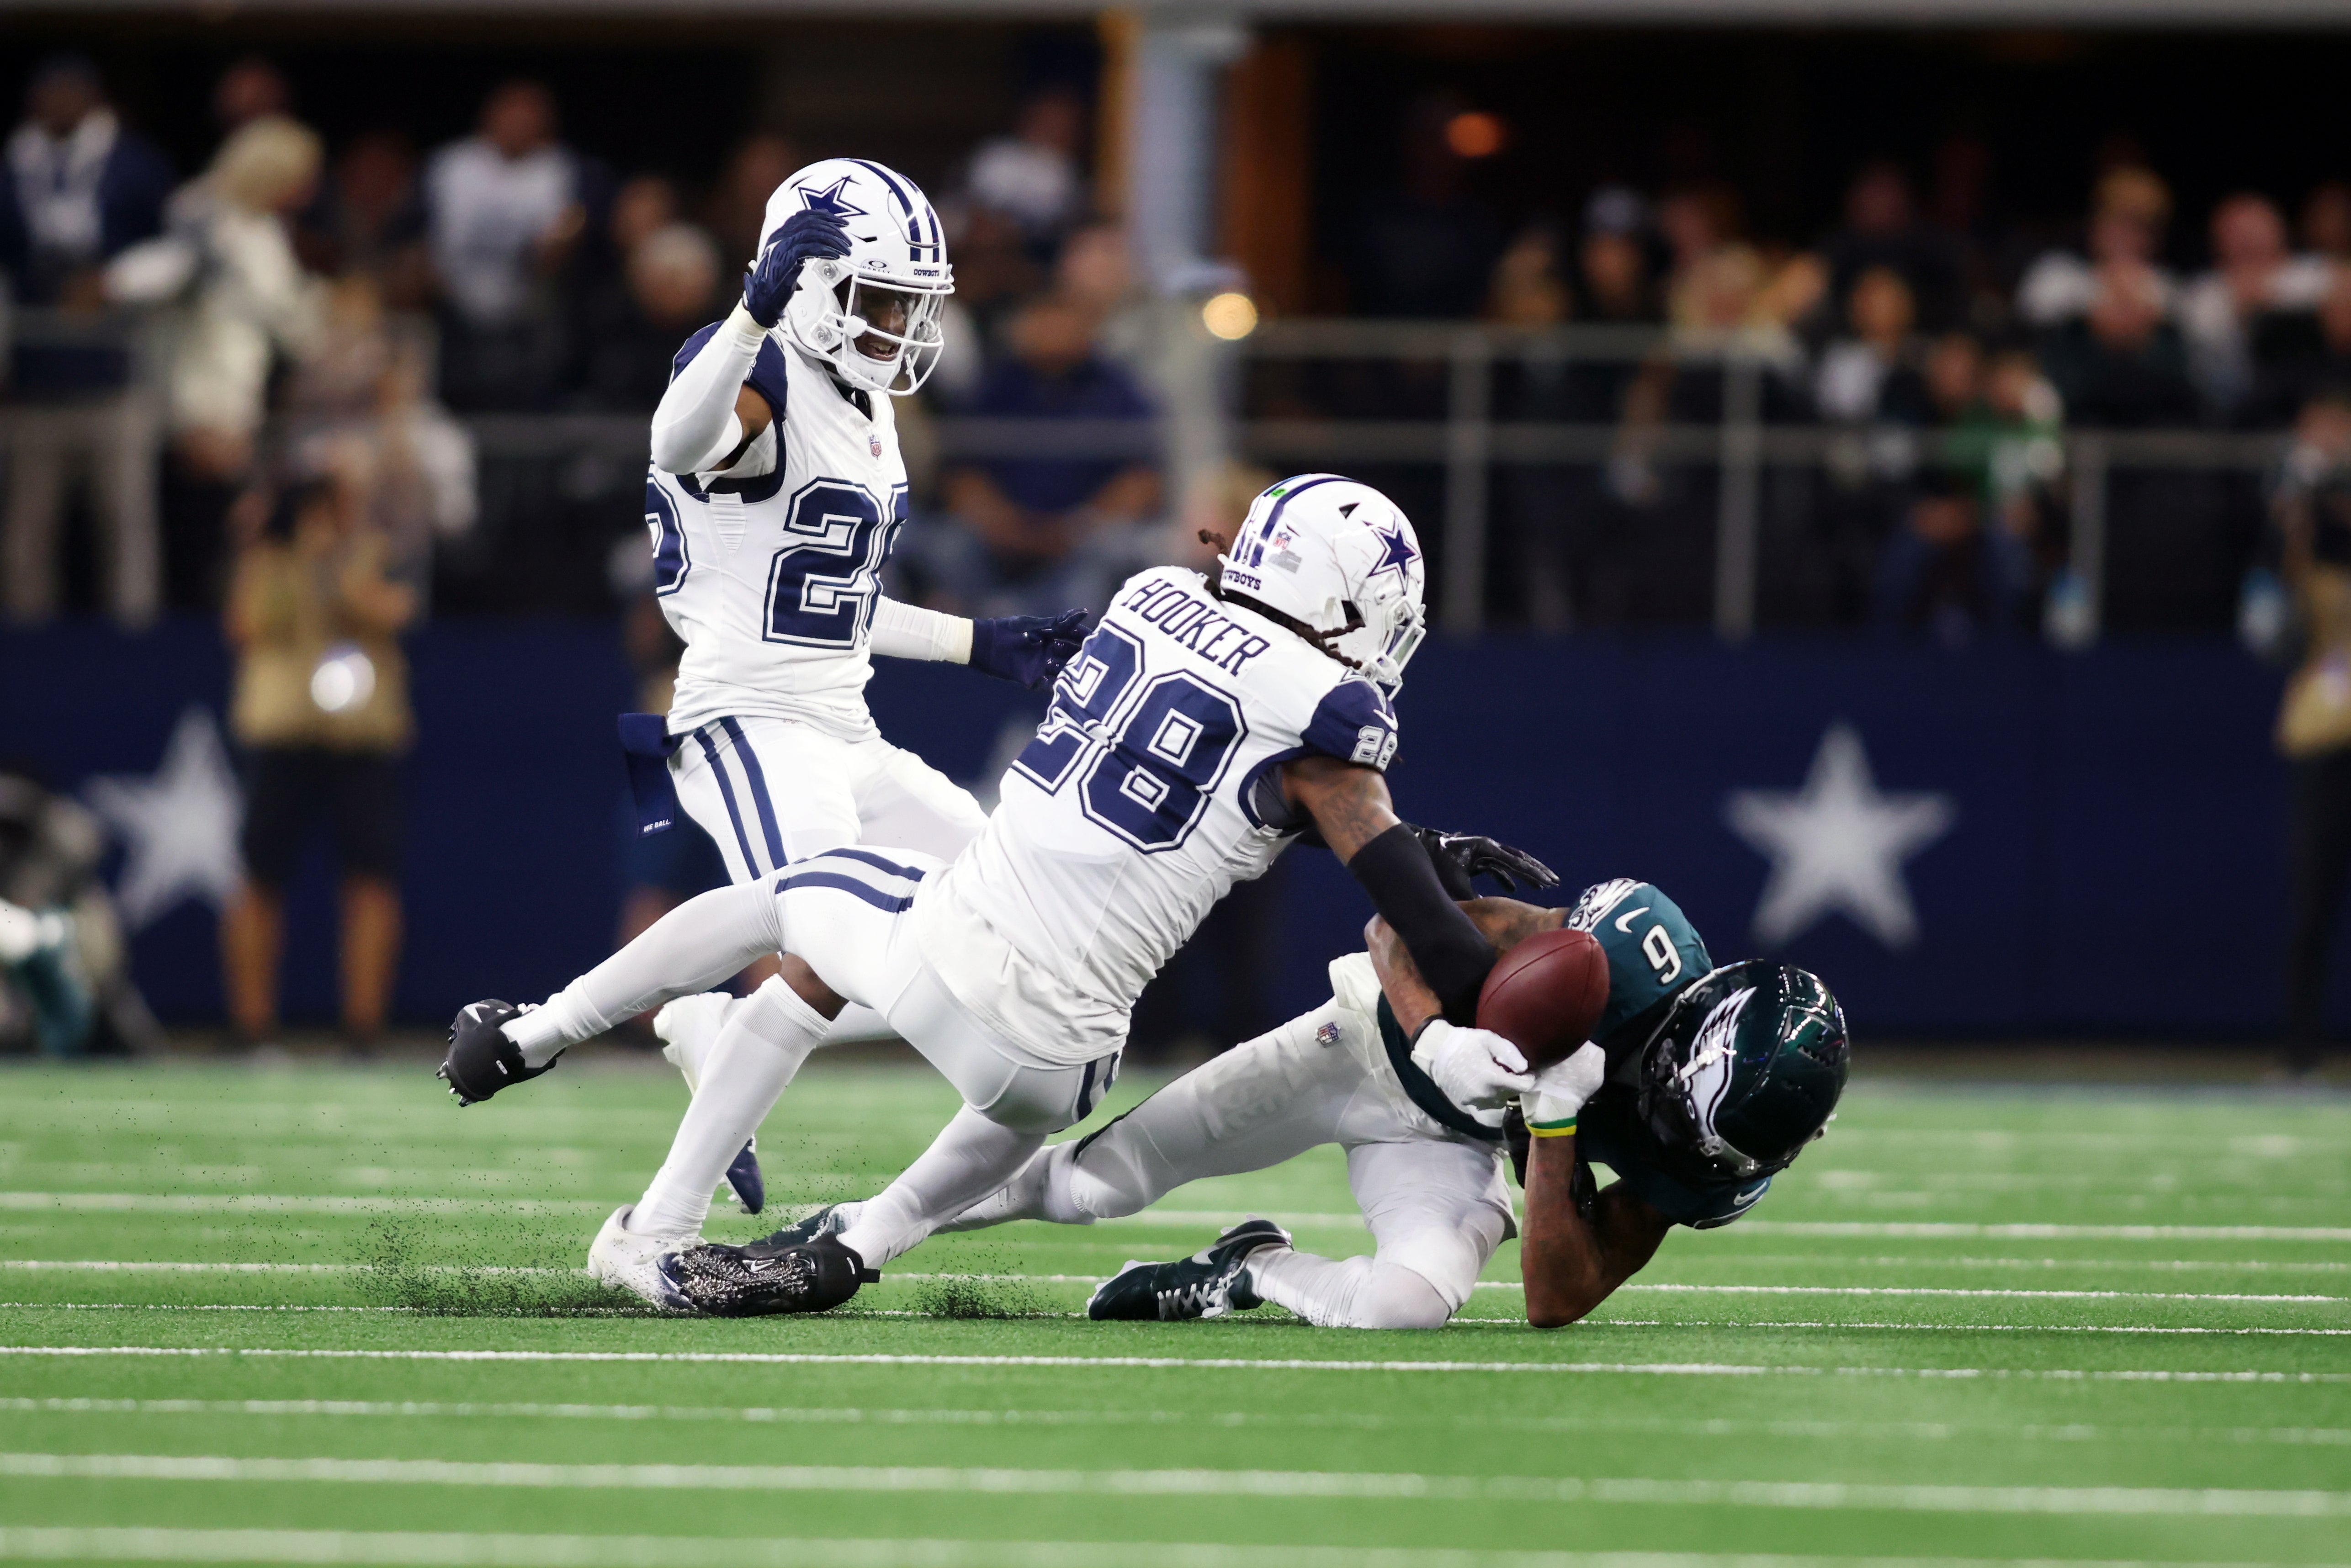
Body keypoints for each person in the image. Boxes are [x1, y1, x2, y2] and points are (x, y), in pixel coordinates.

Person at [440, 474, 1491, 1323]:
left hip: (953, 953)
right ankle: (865, 1239)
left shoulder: (1153, 596)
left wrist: (1410, 849)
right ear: (1341, 598)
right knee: (1004, 1064)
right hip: (1064, 1069)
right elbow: (1358, 863)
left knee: (790, 899)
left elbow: (1214, 767)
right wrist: (1480, 961)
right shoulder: (1328, 728)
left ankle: (536, 1039)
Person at [569, 157, 1088, 1197]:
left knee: (994, 910)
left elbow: (820, 604)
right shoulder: (750, 368)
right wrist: (750, 313)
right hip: (744, 714)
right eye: (880, 294)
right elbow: (677, 443)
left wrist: (974, 644)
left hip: (834, 720)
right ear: (800, 279)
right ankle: (659, 1147)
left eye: (911, 300)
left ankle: (709, 1029)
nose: (900, 321)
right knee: (845, 944)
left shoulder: (861, 399)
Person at [765, 879, 1845, 1329]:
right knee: (1098, 1184)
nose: (1684, 1143)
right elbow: (1394, 920)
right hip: (1362, 1046)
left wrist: (1557, 1121)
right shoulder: (1617, 948)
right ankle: (861, 1229)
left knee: (1409, 1303)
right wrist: (1440, 1032)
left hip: (1454, 1143)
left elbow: (1558, 1296)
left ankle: (1248, 1266)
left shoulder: (1712, 1156)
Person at [218, 476, 418, 1049]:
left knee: (372, 879)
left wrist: (334, 568)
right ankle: (251, 1026)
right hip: (282, 734)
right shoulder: (268, 560)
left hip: (361, 740)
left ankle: (364, 1027)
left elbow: (393, 611)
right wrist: (272, 552)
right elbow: (247, 624)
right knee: (259, 877)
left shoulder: (376, 551)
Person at [0, 53, 175, 626]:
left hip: (115, 376)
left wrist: (113, 283)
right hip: (33, 382)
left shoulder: (134, 164)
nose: (60, 105)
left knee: (125, 522)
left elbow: (177, 251)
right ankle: (25, 645)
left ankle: (134, 642)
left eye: (72, 93)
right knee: (29, 525)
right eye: (50, 93)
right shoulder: (14, 166)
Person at [2272, 391, 2351, 1075]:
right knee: (2312, 900)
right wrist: (2299, 512)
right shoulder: (2309, 536)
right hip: (2325, 730)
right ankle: (2300, 1052)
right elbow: (2282, 617)